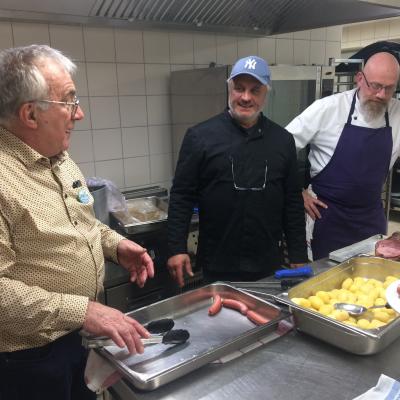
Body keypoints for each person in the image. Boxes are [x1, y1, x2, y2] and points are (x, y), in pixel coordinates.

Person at [0, 45, 154, 400]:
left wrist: (115, 245)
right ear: (30, 115)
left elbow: (83, 224)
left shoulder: (59, 159)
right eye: (69, 101)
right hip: (28, 360)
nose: (79, 113)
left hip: (78, 340)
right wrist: (83, 310)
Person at [167, 55, 308, 287]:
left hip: (268, 262)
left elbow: (292, 201)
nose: (246, 97)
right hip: (217, 262)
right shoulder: (200, 137)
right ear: (230, 89)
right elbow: (182, 196)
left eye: (255, 90)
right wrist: (176, 248)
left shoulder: (282, 141)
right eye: (239, 88)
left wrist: (298, 254)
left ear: (266, 94)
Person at [286, 51, 400, 260]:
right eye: (375, 86)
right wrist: (296, 191)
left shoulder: (398, 113)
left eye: (389, 88)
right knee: (324, 285)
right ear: (359, 78)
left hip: (371, 221)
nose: (382, 95)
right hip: (327, 218)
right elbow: (279, 149)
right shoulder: (328, 109)